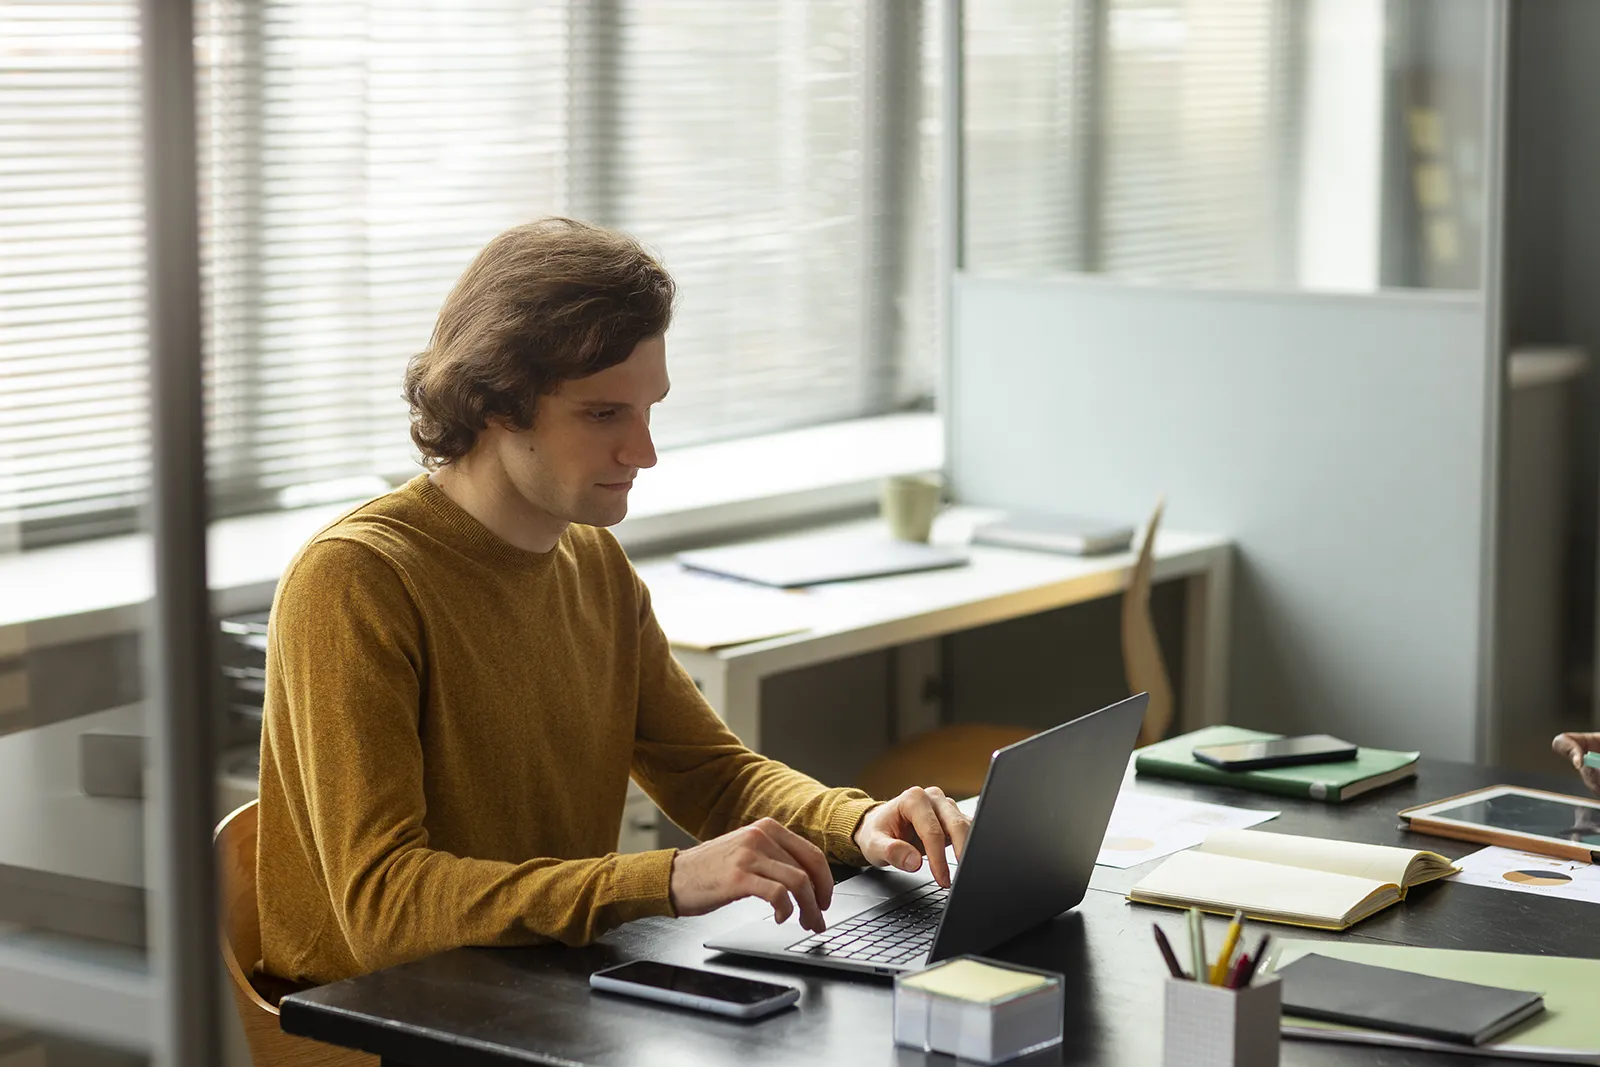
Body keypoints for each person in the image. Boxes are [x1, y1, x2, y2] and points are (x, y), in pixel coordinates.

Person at [255, 218, 972, 986]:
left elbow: (713, 774)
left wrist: (857, 822)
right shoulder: (356, 580)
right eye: (603, 414)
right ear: (494, 401)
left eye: (648, 409)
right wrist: (668, 877)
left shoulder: (592, 560)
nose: (644, 452)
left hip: (543, 987)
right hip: (379, 1014)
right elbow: (384, 908)